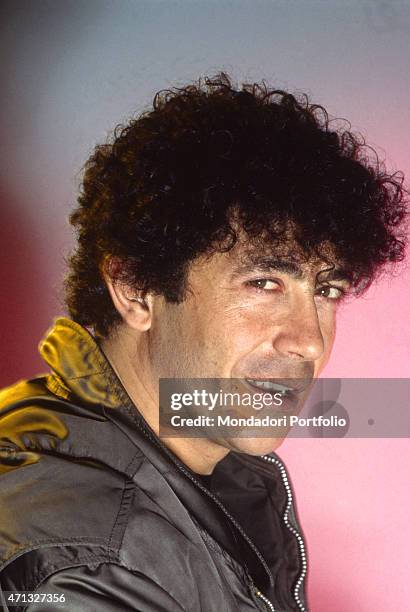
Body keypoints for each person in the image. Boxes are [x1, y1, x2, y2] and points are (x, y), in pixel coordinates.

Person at [0, 73, 407, 612]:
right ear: (136, 288)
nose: (309, 341)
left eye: (326, 290)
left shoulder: (216, 473)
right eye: (264, 283)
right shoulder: (84, 563)